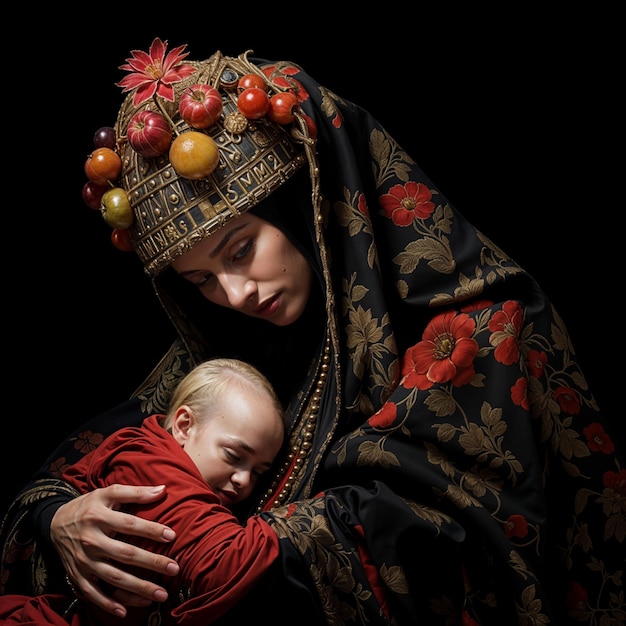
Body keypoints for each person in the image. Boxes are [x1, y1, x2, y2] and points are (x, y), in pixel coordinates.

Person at [1, 38, 623, 625]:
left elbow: (473, 545)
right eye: (201, 280)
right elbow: (73, 473)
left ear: (310, 199)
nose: (235, 294)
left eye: (241, 248)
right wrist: (61, 519)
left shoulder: (483, 331)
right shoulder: (233, 347)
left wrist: (234, 556)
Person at [0, 357, 286, 624]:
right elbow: (223, 567)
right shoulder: (150, 465)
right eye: (233, 456)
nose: (244, 480)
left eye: (259, 472)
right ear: (184, 426)